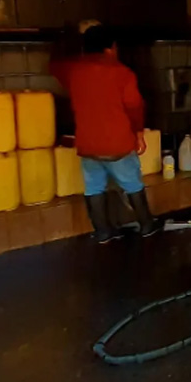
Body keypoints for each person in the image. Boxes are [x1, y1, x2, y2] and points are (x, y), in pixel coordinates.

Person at [51, 24, 157, 243]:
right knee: (132, 184)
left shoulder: (72, 70)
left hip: (88, 145)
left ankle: (102, 231)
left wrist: (69, 38)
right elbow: (135, 107)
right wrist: (138, 133)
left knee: (93, 188)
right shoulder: (122, 73)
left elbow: (53, 64)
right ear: (110, 48)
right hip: (118, 144)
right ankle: (146, 225)